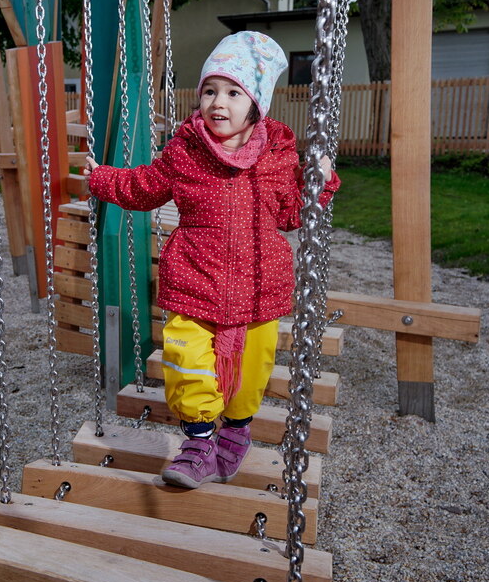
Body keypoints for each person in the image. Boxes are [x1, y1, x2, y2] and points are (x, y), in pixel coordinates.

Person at [84, 31, 340, 489]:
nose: (218, 102)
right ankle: (199, 440)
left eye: (233, 92)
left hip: (261, 284)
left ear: (256, 104)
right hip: (194, 278)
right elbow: (142, 186)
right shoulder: (184, 152)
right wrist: (102, 179)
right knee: (184, 356)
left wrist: (316, 184)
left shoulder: (278, 158)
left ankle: (236, 432)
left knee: (252, 368)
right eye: (209, 90)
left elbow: (290, 214)